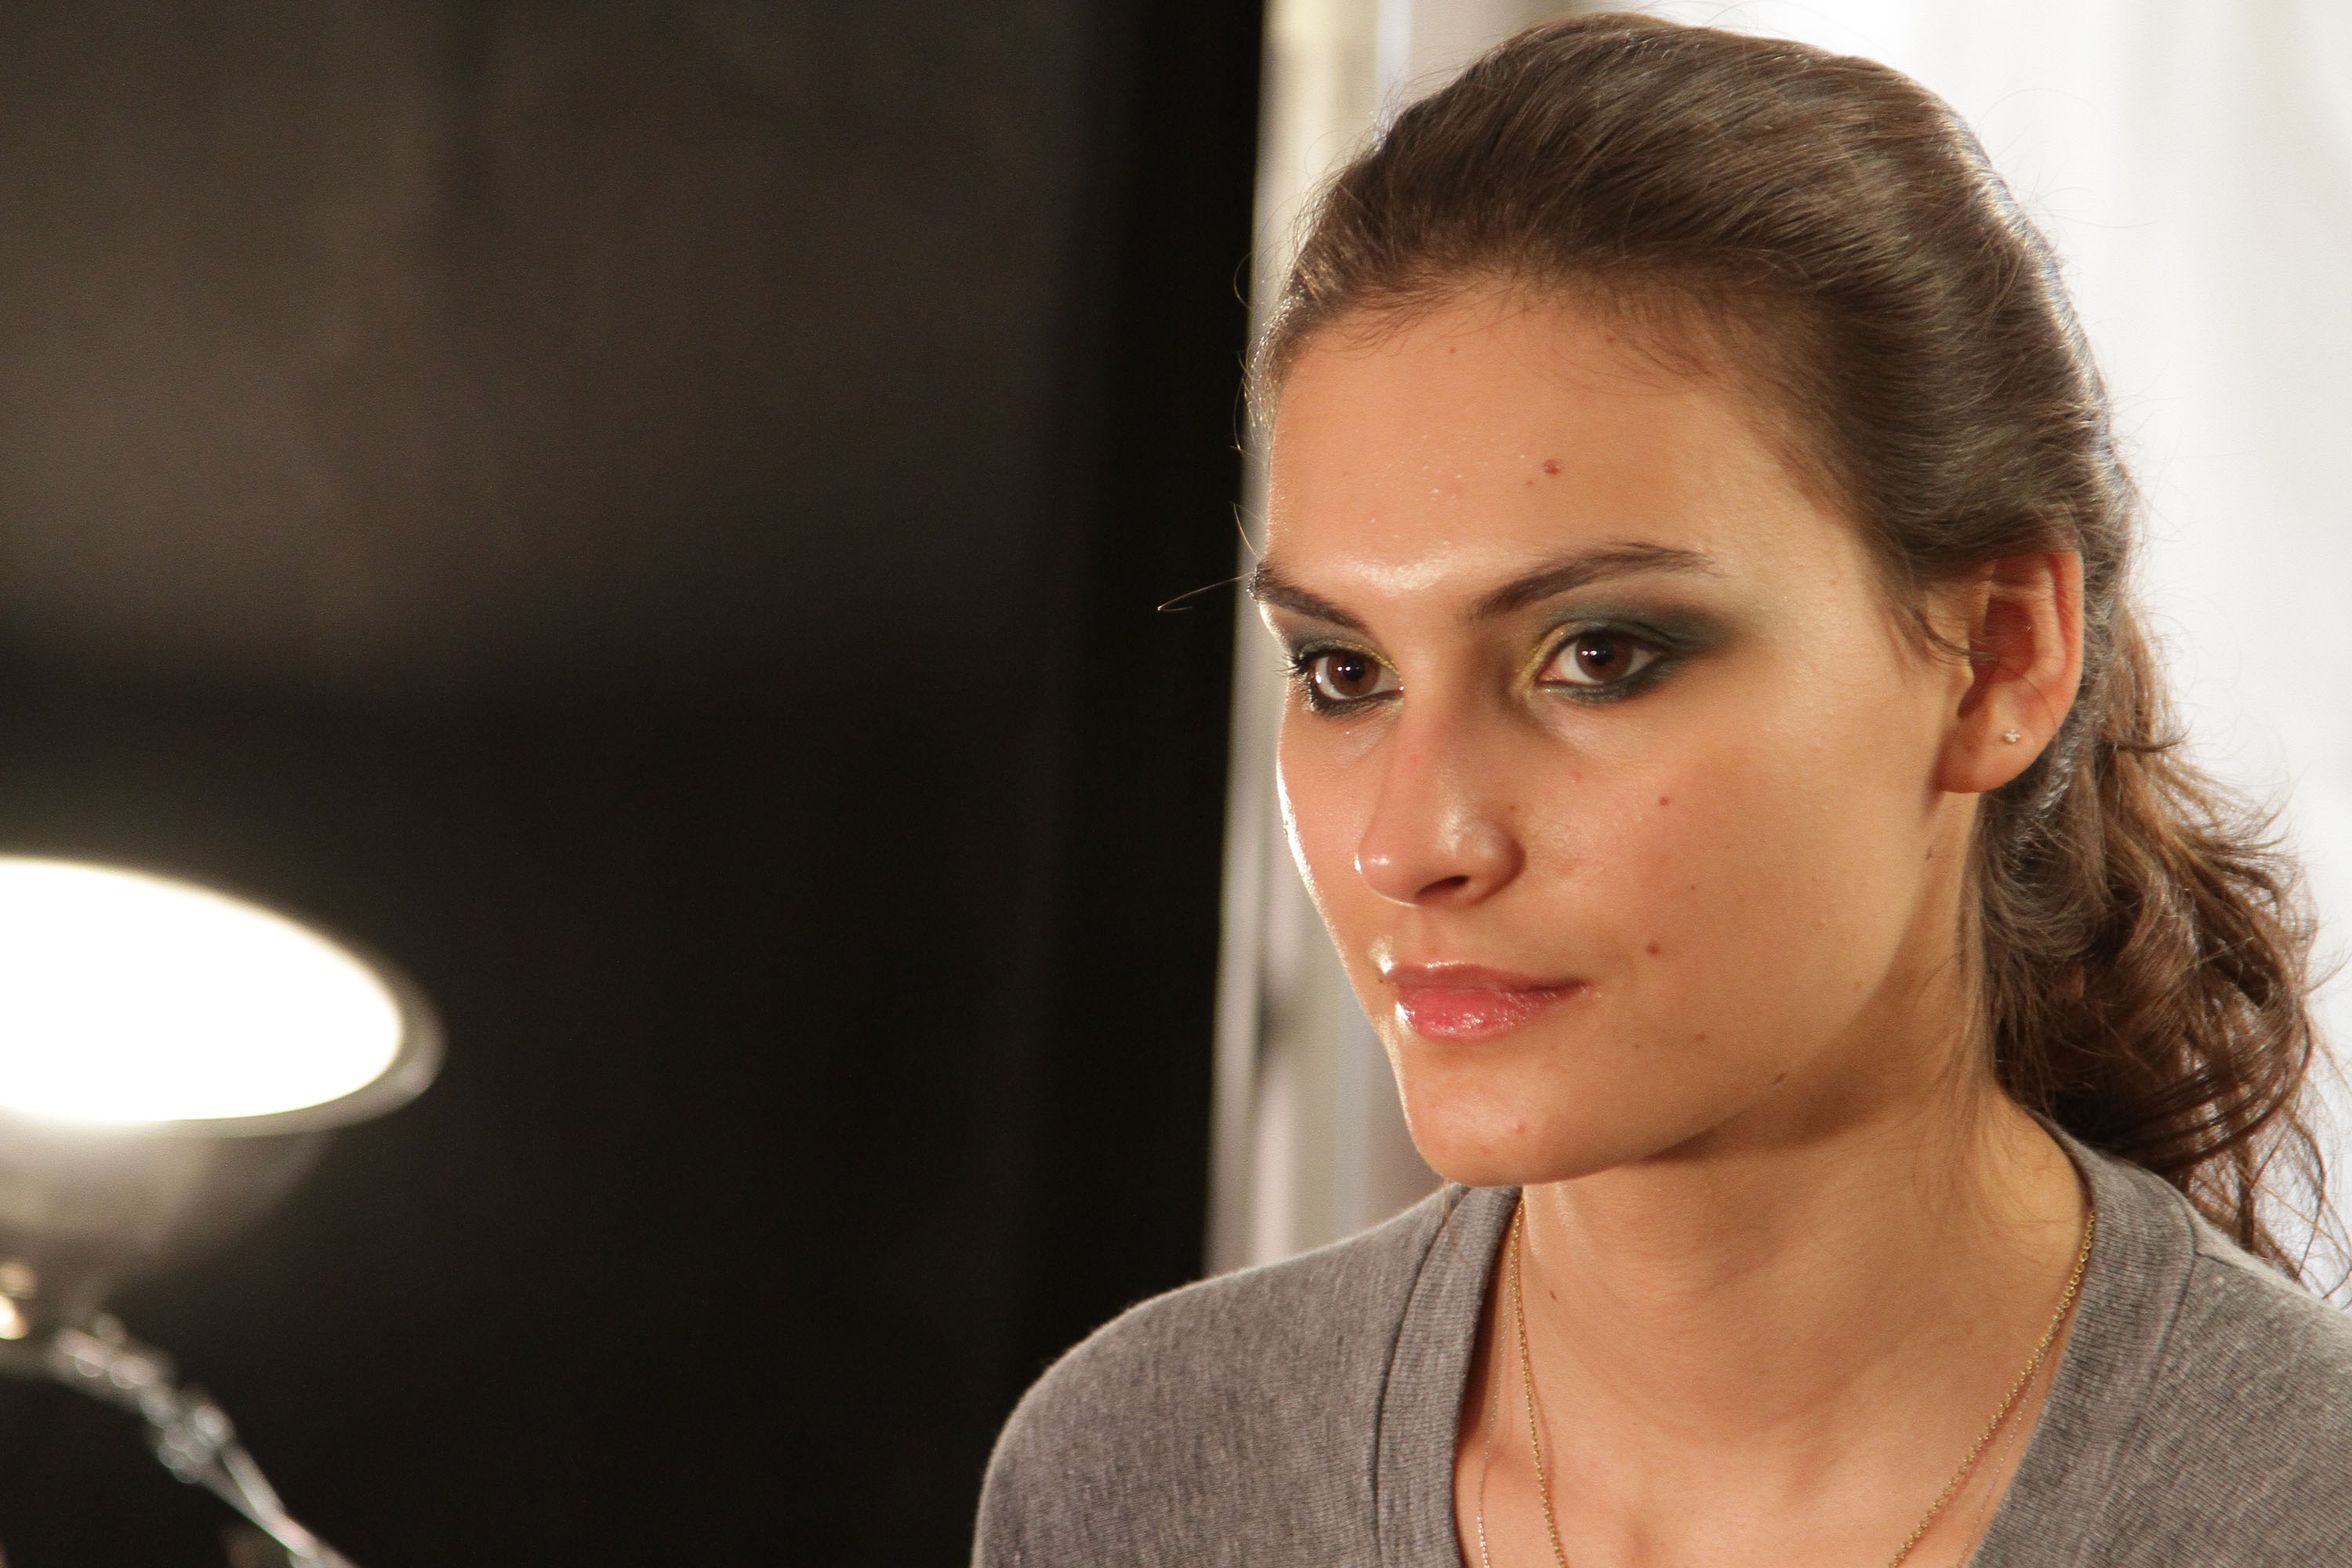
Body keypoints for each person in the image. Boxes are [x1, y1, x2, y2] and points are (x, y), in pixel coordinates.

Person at [972, 13, 2352, 1566]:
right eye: (1345, 671)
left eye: (1599, 655)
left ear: (1996, 661)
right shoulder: (1143, 1477)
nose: (1412, 843)